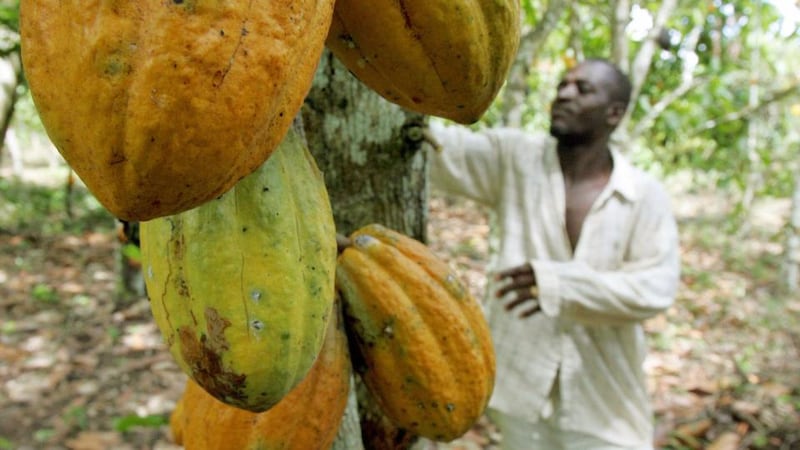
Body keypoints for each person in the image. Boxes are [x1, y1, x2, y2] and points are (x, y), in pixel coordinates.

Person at [425, 58, 681, 449]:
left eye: (583, 89)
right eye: (563, 84)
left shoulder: (643, 195)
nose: (563, 93)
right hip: (519, 390)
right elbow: (437, 149)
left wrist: (558, 284)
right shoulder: (515, 157)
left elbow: (655, 288)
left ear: (614, 113)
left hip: (605, 400)